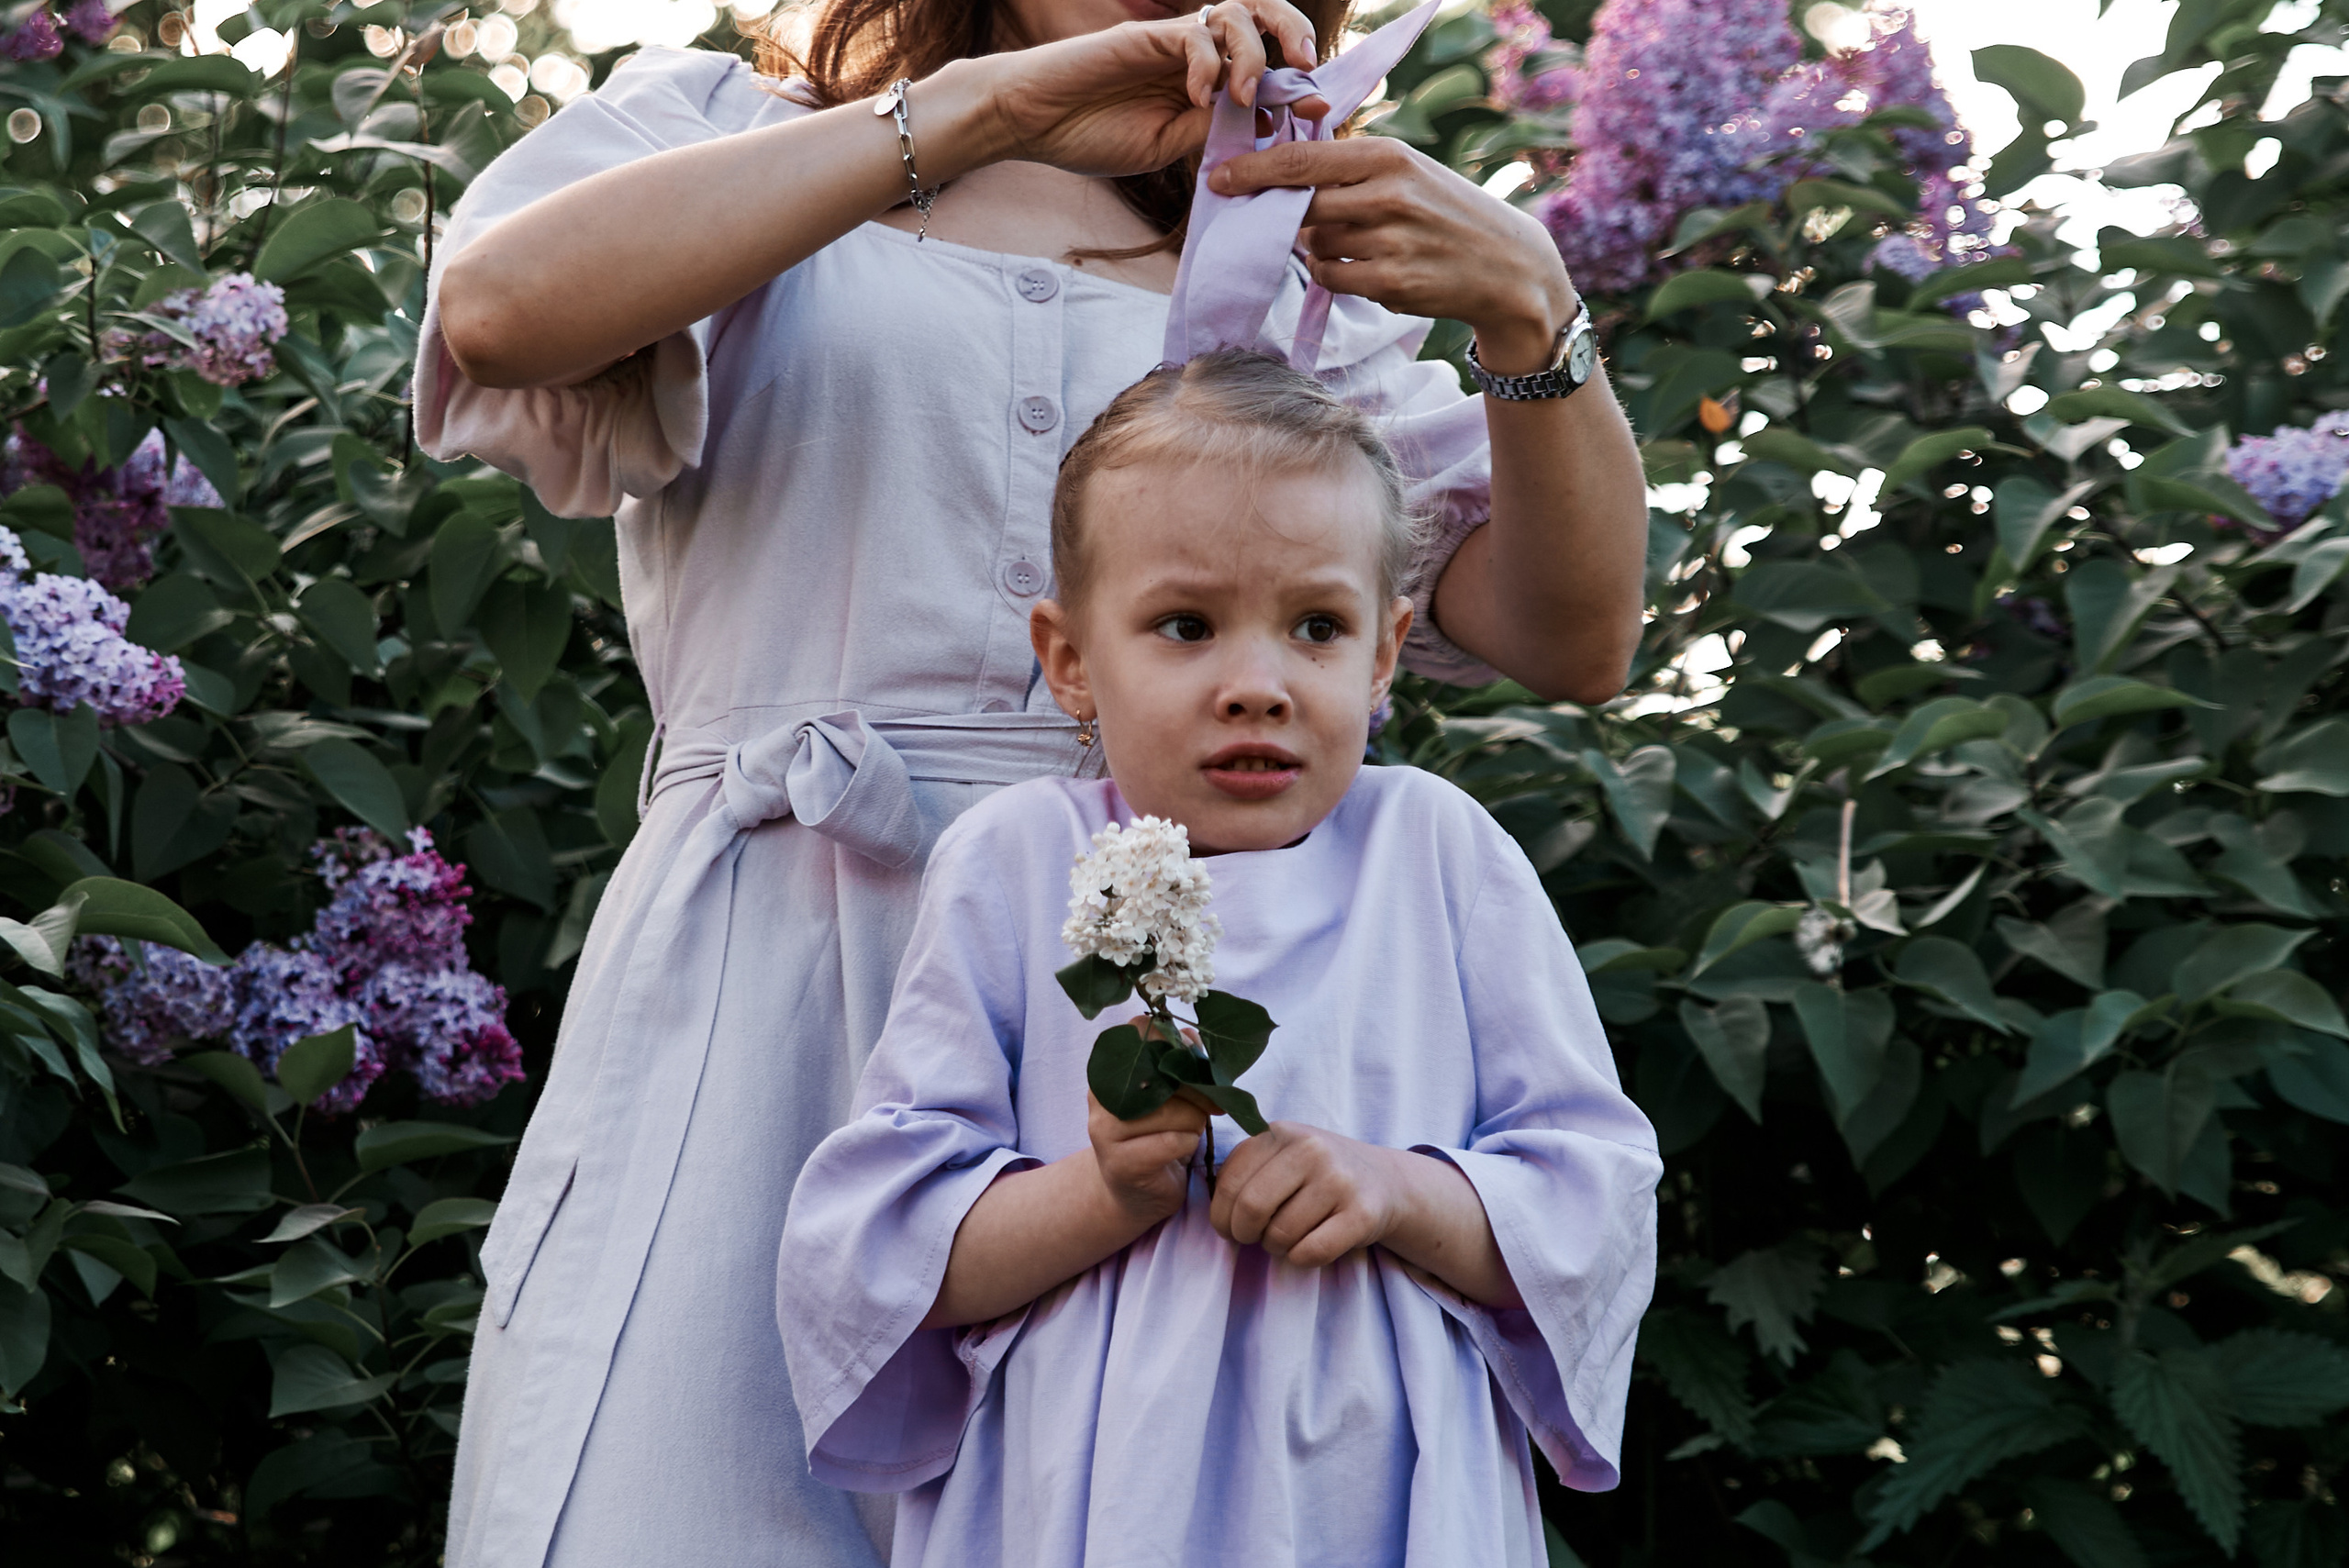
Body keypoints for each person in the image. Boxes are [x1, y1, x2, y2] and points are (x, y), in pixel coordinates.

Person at [417, 0, 1648, 1557]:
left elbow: (1572, 631)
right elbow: (504, 309)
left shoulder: (1294, 232)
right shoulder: (736, 126)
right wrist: (986, 111)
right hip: (764, 1001)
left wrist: (1535, 316)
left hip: (1141, 1047)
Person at [777, 347, 1661, 1567]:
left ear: (1387, 651)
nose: (1257, 684)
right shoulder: (1016, 862)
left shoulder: (1438, 853)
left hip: (1375, 1484)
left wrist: (1398, 1190)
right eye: (1186, 625)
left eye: (1317, 626)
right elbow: (881, 1247)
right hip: (1083, 1490)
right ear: (1072, 656)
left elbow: (1594, 1197)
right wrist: (1102, 1192)